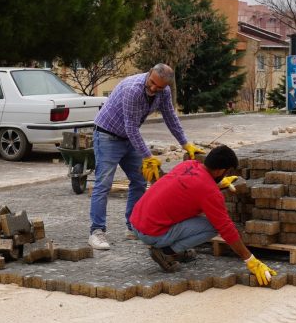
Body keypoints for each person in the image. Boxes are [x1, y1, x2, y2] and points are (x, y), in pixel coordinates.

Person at [88, 63, 203, 250]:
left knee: (140, 181)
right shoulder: (132, 89)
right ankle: (96, 231)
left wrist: (185, 143)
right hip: (107, 135)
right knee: (103, 184)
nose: (153, 89)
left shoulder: (163, 92)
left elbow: (170, 117)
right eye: (151, 83)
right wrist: (148, 156)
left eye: (158, 87)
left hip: (127, 137)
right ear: (149, 73)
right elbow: (131, 127)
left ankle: (132, 226)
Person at [129, 145, 278, 286]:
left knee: (193, 210)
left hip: (136, 220)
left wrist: (216, 184)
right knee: (214, 226)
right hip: (151, 233)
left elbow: (188, 187)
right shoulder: (209, 192)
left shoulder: (188, 164)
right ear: (220, 171)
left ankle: (170, 246)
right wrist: (250, 259)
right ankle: (166, 252)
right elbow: (226, 228)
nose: (227, 175)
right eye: (227, 172)